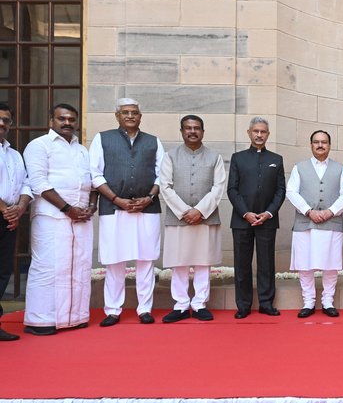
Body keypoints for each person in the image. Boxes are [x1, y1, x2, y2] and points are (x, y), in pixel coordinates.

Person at [23, 104, 96, 335]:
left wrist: (91, 206)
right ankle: (41, 320)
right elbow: (38, 182)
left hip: (81, 218)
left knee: (78, 266)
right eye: (61, 118)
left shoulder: (82, 150)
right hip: (51, 217)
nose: (67, 123)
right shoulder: (39, 145)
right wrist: (67, 208)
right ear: (51, 120)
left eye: (71, 119)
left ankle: (75, 317)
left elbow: (93, 181)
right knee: (49, 267)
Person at [90, 98, 164, 327]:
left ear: (140, 116)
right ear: (117, 116)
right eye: (125, 112)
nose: (130, 116)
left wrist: (149, 197)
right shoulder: (102, 139)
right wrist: (116, 199)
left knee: (146, 260)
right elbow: (94, 174)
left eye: (134, 112)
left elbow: (163, 174)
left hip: (147, 209)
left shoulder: (153, 142)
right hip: (113, 208)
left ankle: (145, 309)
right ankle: (112, 310)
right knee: (115, 261)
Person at [160, 115, 226, 323]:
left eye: (196, 128)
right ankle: (180, 305)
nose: (192, 131)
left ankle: (199, 304)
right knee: (178, 262)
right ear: (181, 131)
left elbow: (218, 187)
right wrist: (184, 211)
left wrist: (200, 210)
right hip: (178, 217)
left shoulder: (215, 157)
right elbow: (165, 186)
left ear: (203, 131)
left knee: (202, 262)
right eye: (188, 128)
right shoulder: (170, 156)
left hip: (205, 218)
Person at [286, 130, 343, 318]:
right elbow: (291, 192)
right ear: (311, 145)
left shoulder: (340, 169)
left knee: (330, 265)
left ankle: (328, 301)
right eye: (316, 142)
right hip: (305, 223)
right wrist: (308, 211)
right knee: (305, 264)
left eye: (324, 142)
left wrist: (330, 212)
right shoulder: (299, 167)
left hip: (332, 223)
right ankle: (308, 302)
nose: (320, 145)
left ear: (329, 145)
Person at [228, 117, 285, 319]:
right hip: (242, 220)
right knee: (242, 264)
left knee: (266, 264)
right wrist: (246, 213)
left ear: (268, 134)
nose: (259, 135)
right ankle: (243, 305)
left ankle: (266, 303)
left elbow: (280, 191)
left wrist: (268, 213)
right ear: (249, 133)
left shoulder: (276, 159)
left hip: (267, 220)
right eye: (256, 131)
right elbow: (232, 190)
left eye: (263, 132)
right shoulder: (238, 158)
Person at [0, 103, 31, 341]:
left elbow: (26, 184)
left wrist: (20, 207)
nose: (2, 124)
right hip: (5, 215)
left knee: (3, 272)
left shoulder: (14, 154)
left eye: (7, 120)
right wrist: (7, 210)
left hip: (9, 219)